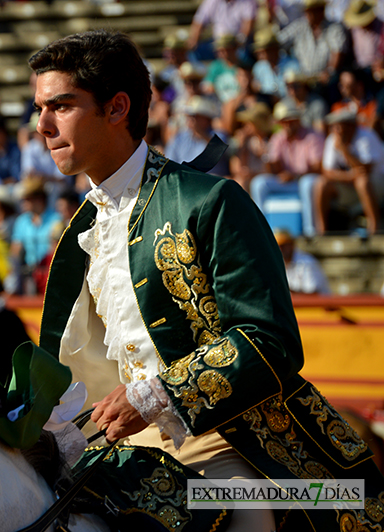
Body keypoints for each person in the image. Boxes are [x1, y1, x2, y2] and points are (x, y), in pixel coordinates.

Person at [30, 30, 382, 531]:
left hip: (229, 440)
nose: (41, 125)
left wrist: (155, 396)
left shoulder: (210, 201)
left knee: (241, 519)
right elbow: (81, 366)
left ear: (116, 108)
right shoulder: (81, 229)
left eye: (60, 106)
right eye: (40, 108)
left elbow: (270, 340)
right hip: (121, 446)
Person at [250, 100, 325, 236]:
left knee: (307, 183)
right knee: (259, 183)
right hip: (287, 181)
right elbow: (273, 169)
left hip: (303, 180)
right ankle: (262, 231)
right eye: (284, 121)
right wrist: (265, 156)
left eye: (291, 120)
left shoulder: (312, 136)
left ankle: (310, 231)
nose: (287, 124)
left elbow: (317, 168)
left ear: (298, 120)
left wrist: (295, 176)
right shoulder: (278, 137)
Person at [316, 107, 384, 235]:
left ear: (350, 126)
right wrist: (349, 176)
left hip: (377, 183)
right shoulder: (333, 139)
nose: (335, 130)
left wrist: (344, 151)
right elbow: (327, 172)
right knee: (321, 184)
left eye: (338, 126)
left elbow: (366, 170)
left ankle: (375, 229)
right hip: (351, 183)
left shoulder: (366, 136)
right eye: (333, 126)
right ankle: (321, 232)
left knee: (362, 182)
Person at [275, 229, 331, 294]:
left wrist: (288, 292)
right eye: (277, 246)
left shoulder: (307, 262)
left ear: (292, 244)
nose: (280, 249)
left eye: (283, 245)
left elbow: (314, 294)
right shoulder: (279, 264)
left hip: (321, 303)